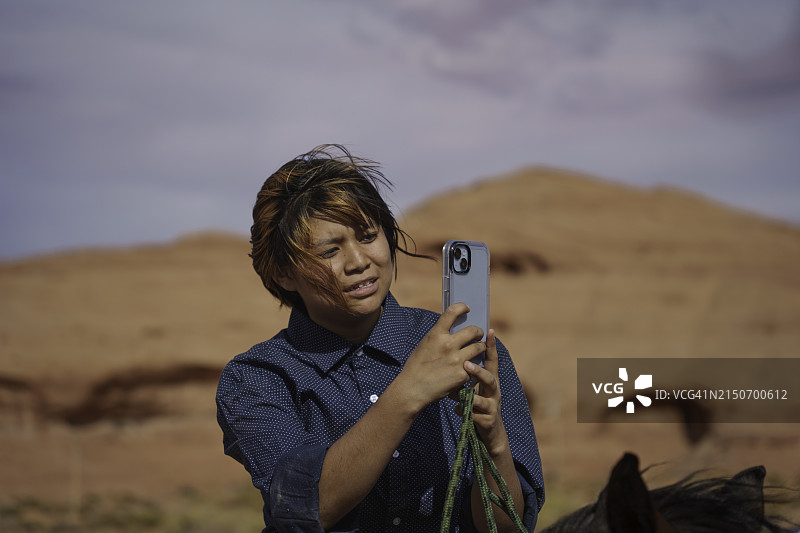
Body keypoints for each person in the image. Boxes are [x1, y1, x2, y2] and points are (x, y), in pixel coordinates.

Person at [215, 145, 544, 532]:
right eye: (330, 250)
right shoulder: (257, 378)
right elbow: (307, 511)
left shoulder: (467, 350)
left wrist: (493, 442)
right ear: (284, 274)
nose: (359, 262)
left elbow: (507, 527)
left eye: (369, 236)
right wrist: (408, 393)